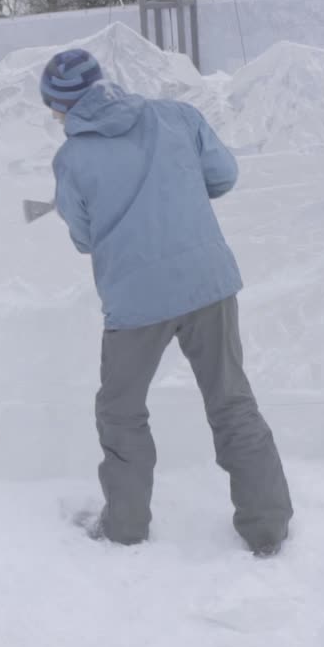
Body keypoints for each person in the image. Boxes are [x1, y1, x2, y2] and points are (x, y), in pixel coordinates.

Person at [41, 48, 294, 557]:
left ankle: (126, 527)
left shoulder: (72, 158)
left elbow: (85, 237)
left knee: (121, 411)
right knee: (231, 401)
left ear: (62, 108)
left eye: (53, 111)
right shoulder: (177, 116)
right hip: (208, 283)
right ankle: (267, 529)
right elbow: (223, 175)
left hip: (136, 302)